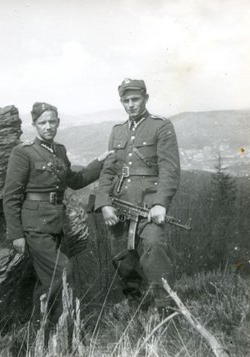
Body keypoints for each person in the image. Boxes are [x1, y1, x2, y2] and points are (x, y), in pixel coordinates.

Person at [3, 102, 111, 326]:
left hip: (57, 224)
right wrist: (16, 234)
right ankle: (54, 326)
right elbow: (11, 195)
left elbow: (75, 180)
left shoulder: (59, 151)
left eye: (52, 121)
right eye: (42, 122)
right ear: (34, 125)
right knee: (62, 270)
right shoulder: (23, 153)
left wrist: (99, 163)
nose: (48, 126)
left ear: (58, 123)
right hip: (34, 226)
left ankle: (42, 331)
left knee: (47, 281)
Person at [95, 78, 180, 314]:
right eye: (126, 100)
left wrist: (161, 203)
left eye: (135, 99)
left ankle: (165, 308)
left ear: (145, 99)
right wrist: (103, 203)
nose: (131, 104)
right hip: (120, 208)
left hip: (148, 207)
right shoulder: (117, 131)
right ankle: (137, 307)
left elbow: (169, 169)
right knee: (123, 260)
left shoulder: (161, 126)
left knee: (154, 250)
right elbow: (108, 171)